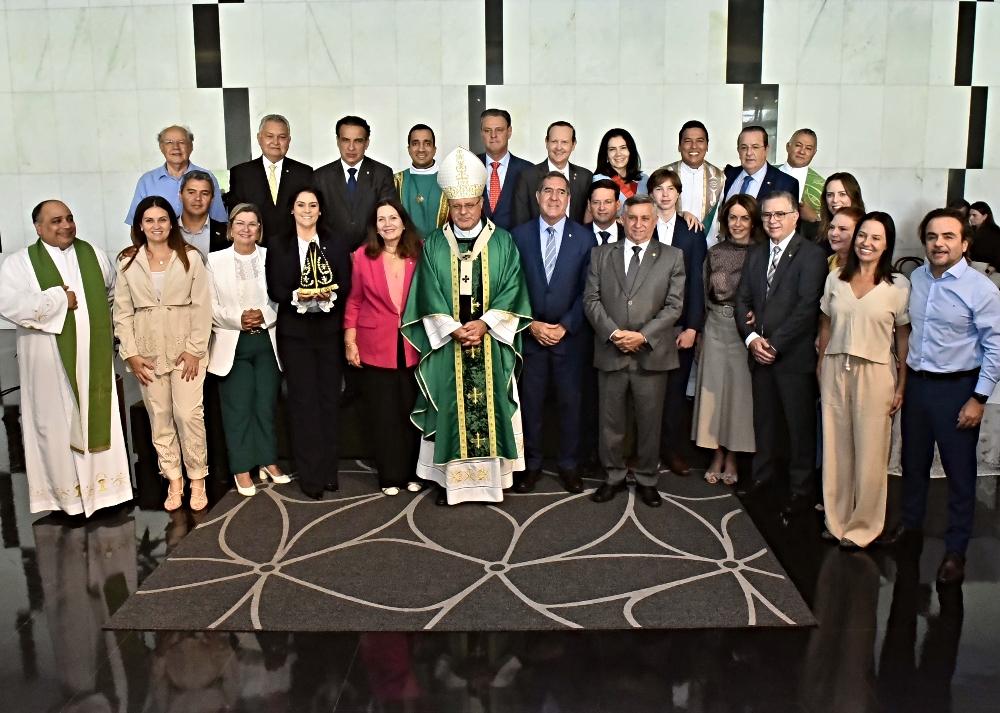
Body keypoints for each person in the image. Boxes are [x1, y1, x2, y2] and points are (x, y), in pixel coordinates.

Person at [400, 147, 532, 506]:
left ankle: (491, 481)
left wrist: (486, 324)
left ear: (480, 202)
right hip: (449, 346)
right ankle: (451, 484)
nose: (463, 213)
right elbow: (425, 293)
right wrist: (451, 327)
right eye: (456, 206)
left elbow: (513, 288)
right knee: (451, 407)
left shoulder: (503, 242)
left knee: (490, 407)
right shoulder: (433, 246)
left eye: (470, 205)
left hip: (489, 344)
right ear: (449, 204)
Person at [884, 208, 1000, 585]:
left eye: (949, 236)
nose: (939, 243)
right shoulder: (916, 278)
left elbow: (995, 347)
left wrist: (979, 398)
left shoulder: (981, 289)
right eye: (933, 236)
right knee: (912, 464)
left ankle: (955, 550)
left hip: (957, 389)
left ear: (965, 243)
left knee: (959, 474)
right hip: (919, 384)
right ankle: (910, 529)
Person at [0, 200, 133, 516]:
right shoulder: (20, 264)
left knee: (96, 417)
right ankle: (67, 500)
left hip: (92, 359)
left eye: (69, 218)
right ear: (38, 227)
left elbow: (112, 294)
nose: (66, 225)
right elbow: (7, 303)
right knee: (56, 425)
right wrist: (58, 299)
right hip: (48, 362)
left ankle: (108, 493)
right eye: (56, 220)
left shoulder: (94, 255)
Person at [584, 194, 686, 507]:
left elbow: (674, 306)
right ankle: (613, 476)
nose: (638, 224)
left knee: (649, 422)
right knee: (611, 422)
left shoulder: (672, 256)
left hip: (651, 354)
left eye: (645, 218)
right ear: (622, 219)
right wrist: (615, 334)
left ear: (655, 222)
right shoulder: (601, 254)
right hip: (612, 351)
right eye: (632, 218)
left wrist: (641, 336)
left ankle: (646, 479)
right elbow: (591, 300)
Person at [817, 212, 911, 549]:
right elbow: (825, 324)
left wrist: (901, 384)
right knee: (836, 450)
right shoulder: (836, 279)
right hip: (835, 368)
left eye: (876, 238)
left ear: (887, 245)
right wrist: (820, 366)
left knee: (871, 454)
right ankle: (836, 520)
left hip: (876, 374)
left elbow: (903, 338)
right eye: (862, 236)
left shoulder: (898, 286)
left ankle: (864, 527)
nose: (866, 243)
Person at [114, 197, 213, 511]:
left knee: (188, 414)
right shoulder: (128, 261)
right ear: (140, 226)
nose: (156, 226)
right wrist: (130, 353)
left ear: (172, 223)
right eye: (149, 220)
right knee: (160, 416)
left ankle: (197, 477)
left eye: (162, 219)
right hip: (147, 352)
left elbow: (202, 306)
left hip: (186, 351)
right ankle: (173, 478)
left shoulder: (190, 258)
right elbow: (122, 312)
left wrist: (196, 350)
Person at [734, 191, 828, 514]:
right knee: (764, 421)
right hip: (760, 356)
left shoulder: (811, 255)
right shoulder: (757, 254)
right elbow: (742, 301)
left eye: (779, 214)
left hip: (793, 359)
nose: (772, 221)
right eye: (767, 216)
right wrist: (751, 341)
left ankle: (800, 490)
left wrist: (773, 344)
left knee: (798, 428)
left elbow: (806, 309)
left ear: (794, 216)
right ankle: (761, 479)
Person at [264, 187, 353, 499]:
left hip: (328, 333)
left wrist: (330, 295)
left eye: (312, 205)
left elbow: (347, 282)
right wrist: (296, 297)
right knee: (303, 405)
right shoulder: (277, 244)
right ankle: (310, 477)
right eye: (300, 204)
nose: (306, 210)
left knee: (329, 401)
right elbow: (275, 287)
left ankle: (329, 472)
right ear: (291, 209)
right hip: (296, 335)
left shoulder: (336, 242)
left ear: (320, 210)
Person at [511, 172, 592, 494]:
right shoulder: (518, 236)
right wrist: (530, 323)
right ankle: (531, 465)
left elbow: (589, 290)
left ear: (569, 198)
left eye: (561, 192)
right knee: (529, 407)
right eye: (548, 191)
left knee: (570, 407)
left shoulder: (584, 238)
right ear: (537, 196)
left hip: (568, 340)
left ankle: (568, 465)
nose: (554, 197)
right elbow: (511, 286)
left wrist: (565, 326)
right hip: (531, 339)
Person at [207, 203, 289, 498]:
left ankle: (268, 461)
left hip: (267, 339)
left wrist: (263, 316)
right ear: (230, 229)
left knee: (265, 406)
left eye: (252, 224)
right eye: (240, 223)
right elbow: (210, 305)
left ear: (260, 230)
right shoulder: (213, 261)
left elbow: (281, 296)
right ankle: (242, 468)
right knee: (238, 409)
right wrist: (238, 319)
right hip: (232, 342)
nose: (246, 229)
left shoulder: (271, 256)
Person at [343, 198, 423, 496]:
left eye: (393, 218)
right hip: (375, 345)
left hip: (414, 345)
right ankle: (390, 476)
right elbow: (354, 301)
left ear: (404, 222)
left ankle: (415, 473)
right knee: (383, 415)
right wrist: (350, 341)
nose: (387, 224)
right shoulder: (363, 256)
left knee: (411, 412)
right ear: (374, 226)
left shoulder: (420, 251)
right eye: (381, 219)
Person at [693, 194, 764, 485]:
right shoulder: (715, 252)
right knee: (714, 394)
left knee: (739, 396)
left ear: (753, 221)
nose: (737, 224)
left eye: (744, 218)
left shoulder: (761, 253)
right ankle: (717, 454)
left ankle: (733, 456)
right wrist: (698, 331)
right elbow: (701, 291)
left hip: (745, 332)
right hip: (715, 327)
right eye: (732, 217)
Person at [647, 168, 706, 476]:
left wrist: (693, 327)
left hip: (680, 326)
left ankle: (672, 451)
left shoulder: (692, 230)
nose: (665, 194)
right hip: (646, 325)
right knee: (645, 393)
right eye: (659, 189)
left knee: (674, 394)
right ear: (651, 193)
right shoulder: (641, 225)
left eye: (671, 188)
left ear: (679, 193)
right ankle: (645, 452)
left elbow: (698, 281)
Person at [226, 114, 314, 246]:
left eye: (282, 137)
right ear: (259, 138)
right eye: (270, 136)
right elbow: (237, 216)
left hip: (294, 248)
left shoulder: (304, 173)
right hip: (254, 248)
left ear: (289, 140)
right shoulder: (241, 173)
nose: (276, 142)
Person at [313, 116, 396, 252]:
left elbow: (388, 217)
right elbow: (316, 220)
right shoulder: (320, 177)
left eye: (358, 141)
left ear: (367, 143)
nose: (351, 147)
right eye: (346, 140)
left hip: (373, 252)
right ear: (338, 141)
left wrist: (363, 252)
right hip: (332, 254)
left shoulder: (382, 173)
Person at [125, 125, 227, 225]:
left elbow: (219, 221)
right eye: (169, 142)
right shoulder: (146, 181)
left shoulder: (207, 177)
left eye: (181, 142)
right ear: (161, 147)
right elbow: (136, 224)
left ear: (191, 146)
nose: (176, 147)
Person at [511, 121, 594, 226]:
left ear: (573, 145)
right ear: (546, 143)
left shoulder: (585, 177)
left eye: (564, 142)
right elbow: (520, 223)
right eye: (554, 141)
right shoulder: (527, 177)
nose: (559, 147)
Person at [478, 109, 534, 231]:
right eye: (487, 130)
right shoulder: (469, 165)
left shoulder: (529, 171)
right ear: (481, 133)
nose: (493, 135)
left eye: (499, 130)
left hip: (515, 246)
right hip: (476, 246)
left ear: (509, 132)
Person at [664, 120, 726, 230]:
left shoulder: (719, 177)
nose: (694, 146)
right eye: (688, 141)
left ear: (707, 146)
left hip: (709, 243)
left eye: (700, 141)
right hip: (670, 241)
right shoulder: (664, 174)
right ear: (679, 146)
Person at [721, 126, 800, 208]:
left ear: (766, 150)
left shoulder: (786, 184)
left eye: (755, 147)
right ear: (738, 150)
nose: (749, 153)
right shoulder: (727, 175)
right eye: (744, 147)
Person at [393, 124, 448, 238]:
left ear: (434, 149)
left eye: (427, 143)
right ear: (409, 149)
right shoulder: (396, 181)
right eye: (415, 143)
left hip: (441, 249)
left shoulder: (449, 179)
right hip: (405, 251)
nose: (421, 149)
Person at [777, 129, 824, 236]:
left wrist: (815, 218)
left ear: (814, 153)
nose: (802, 151)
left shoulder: (822, 185)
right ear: (787, 146)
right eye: (798, 145)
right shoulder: (768, 172)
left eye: (808, 148)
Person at [178, 170, 228, 258]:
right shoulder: (167, 229)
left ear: (212, 199)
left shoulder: (226, 233)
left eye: (204, 194)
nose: (198, 198)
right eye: (191, 192)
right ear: (180, 196)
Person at [591, 128, 648, 201]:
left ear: (631, 151)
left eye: (623, 148)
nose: (618, 154)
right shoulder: (598, 180)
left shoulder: (644, 179)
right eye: (612, 149)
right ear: (606, 154)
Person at [818, 172, 865, 250]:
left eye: (842, 194)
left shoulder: (865, 227)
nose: (835, 200)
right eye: (830, 194)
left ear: (854, 197)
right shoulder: (817, 230)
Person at [826, 205, 867, 272]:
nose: (834, 233)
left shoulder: (863, 269)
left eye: (843, 229)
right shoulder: (828, 261)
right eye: (832, 227)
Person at [585, 179, 623, 244]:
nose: (602, 208)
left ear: (617, 205)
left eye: (608, 202)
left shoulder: (629, 235)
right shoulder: (577, 235)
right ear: (589, 205)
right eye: (596, 202)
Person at [969, 200, 1000, 274]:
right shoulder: (970, 230)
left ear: (985, 216)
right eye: (970, 215)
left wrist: (989, 270)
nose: (970, 218)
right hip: (970, 267)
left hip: (987, 269)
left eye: (974, 215)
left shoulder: (995, 232)